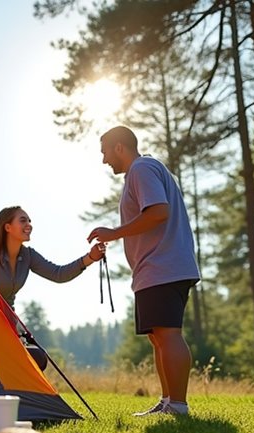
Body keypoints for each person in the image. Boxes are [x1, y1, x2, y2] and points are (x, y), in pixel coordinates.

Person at [87, 126, 200, 416]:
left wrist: (115, 233)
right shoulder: (143, 170)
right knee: (158, 336)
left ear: (120, 148)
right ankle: (167, 402)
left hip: (163, 266)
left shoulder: (141, 168)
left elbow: (158, 211)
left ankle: (178, 405)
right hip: (156, 269)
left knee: (168, 334)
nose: (104, 161)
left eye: (105, 153)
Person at [0, 206, 106, 370]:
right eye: (23, 220)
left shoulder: (28, 256)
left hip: (7, 325)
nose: (29, 224)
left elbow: (58, 274)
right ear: (7, 227)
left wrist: (90, 258)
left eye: (30, 221)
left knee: (38, 358)